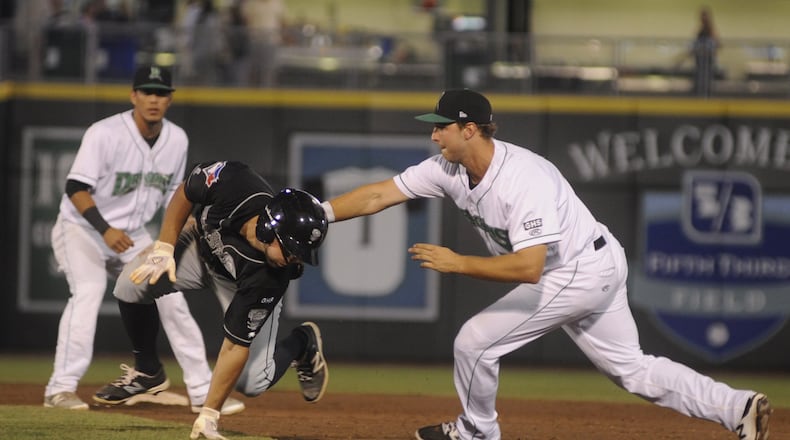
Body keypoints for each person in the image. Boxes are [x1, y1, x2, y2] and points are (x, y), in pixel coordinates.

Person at [319, 89, 773, 440]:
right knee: (632, 370)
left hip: (575, 269)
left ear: (470, 130)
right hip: (591, 260)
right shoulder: (446, 168)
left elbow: (530, 268)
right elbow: (380, 192)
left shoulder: (522, 179)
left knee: (474, 342)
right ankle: (738, 407)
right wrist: (323, 213)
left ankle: (477, 431)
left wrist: (459, 263)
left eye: (442, 127)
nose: (434, 135)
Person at [44, 65, 245, 417]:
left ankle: (202, 392)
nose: (154, 99)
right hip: (83, 230)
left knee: (172, 300)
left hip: (134, 234)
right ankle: (59, 389)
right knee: (88, 292)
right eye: (147, 91)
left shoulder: (176, 139)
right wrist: (105, 228)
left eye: (161, 93)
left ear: (170, 99)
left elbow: (174, 196)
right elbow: (75, 188)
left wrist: (181, 235)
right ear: (133, 95)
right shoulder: (104, 133)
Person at [93, 160, 330, 440]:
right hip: (200, 248)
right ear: (269, 228)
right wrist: (166, 245)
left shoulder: (271, 276)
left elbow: (234, 347)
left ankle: (301, 343)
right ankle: (147, 371)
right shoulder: (236, 182)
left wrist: (209, 414)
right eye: (292, 250)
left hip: (238, 284)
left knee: (252, 382)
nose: (296, 260)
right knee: (129, 285)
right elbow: (186, 191)